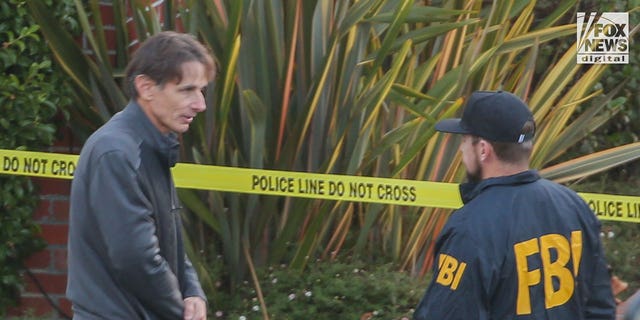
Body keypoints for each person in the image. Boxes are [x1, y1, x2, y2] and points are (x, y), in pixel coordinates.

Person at [413, 90, 616, 319]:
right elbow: (600, 307)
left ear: (482, 150)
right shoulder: (574, 206)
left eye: (464, 141)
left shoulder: (470, 229)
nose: (461, 150)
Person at [67, 31, 216, 320]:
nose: (200, 104)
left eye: (202, 90)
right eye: (186, 90)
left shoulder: (151, 144)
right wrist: (180, 310)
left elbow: (167, 241)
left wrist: (193, 292)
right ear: (146, 88)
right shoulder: (117, 152)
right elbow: (135, 258)